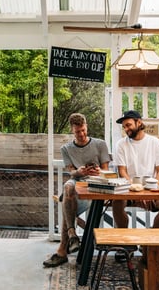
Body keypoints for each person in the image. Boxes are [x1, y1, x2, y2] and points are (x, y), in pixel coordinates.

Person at [43, 113, 111, 268]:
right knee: (68, 187)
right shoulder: (66, 149)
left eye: (83, 130)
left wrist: (97, 171)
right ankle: (72, 235)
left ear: (86, 126)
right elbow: (71, 173)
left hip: (95, 184)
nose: (81, 134)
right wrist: (79, 172)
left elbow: (106, 172)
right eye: (77, 132)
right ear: (71, 131)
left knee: (67, 203)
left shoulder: (100, 144)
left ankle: (63, 249)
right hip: (77, 182)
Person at [111, 110, 159, 260]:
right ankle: (125, 243)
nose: (126, 129)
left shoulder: (155, 142)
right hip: (129, 190)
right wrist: (135, 191)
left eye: (128, 125)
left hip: (151, 190)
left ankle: (150, 240)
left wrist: (149, 191)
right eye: (124, 127)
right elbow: (122, 172)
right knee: (117, 202)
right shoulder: (121, 144)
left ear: (139, 122)